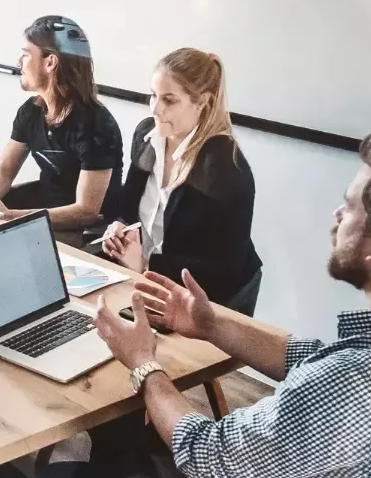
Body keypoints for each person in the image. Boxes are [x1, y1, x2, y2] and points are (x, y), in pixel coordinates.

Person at [88, 131, 371, 478]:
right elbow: (317, 359)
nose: (338, 215)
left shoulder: (354, 386)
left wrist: (144, 364)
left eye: (350, 206)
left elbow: (206, 458)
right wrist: (212, 325)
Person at [100, 48, 260, 313]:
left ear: (202, 102)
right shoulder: (146, 136)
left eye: (169, 100)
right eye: (153, 96)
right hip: (143, 284)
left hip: (203, 303)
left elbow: (223, 271)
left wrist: (147, 263)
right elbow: (127, 209)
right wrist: (118, 229)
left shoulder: (224, 169)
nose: (155, 109)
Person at [0, 15, 123, 236]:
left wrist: (9, 216)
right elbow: (5, 169)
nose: (19, 62)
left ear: (50, 62)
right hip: (43, 214)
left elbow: (86, 211)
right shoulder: (31, 111)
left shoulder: (96, 125)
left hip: (85, 231)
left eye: (26, 55)